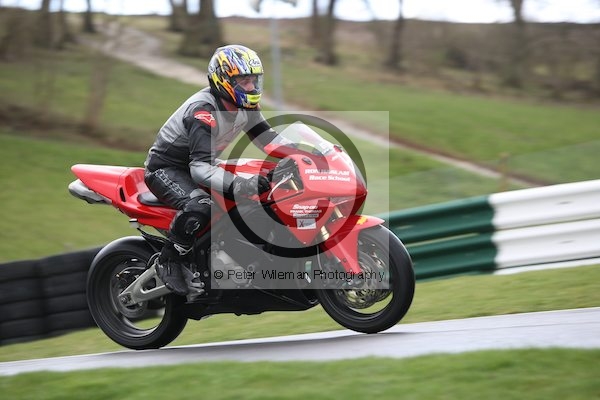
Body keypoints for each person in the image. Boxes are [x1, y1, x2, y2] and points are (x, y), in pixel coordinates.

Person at [144, 44, 278, 296]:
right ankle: (169, 259)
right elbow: (200, 169)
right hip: (167, 167)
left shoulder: (246, 106)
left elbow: (268, 140)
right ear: (224, 79)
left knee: (260, 196)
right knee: (202, 206)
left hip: (204, 163)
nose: (250, 87)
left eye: (253, 80)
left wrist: (307, 154)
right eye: (243, 81)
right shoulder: (203, 111)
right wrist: (241, 184)